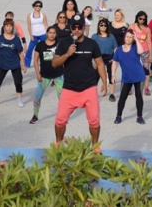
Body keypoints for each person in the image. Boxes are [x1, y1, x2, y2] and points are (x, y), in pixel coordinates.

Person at [52, 14, 107, 152]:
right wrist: (67, 54)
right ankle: (58, 144)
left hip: (88, 87)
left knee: (94, 120)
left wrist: (105, 83)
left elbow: (100, 64)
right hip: (69, 88)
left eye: (79, 27)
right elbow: (54, 63)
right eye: (74, 27)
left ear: (83, 27)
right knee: (60, 120)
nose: (76, 30)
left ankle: (95, 148)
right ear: (70, 28)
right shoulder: (64, 43)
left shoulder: (92, 43)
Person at [0, 19, 26, 107]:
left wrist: (23, 65)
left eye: (10, 26)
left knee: (18, 83)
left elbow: (20, 53)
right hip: (2, 65)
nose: (9, 28)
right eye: (7, 26)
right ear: (4, 27)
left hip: (15, 65)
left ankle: (19, 100)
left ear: (12, 27)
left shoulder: (16, 39)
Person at [30, 26, 64, 124]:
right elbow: (35, 60)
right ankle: (35, 115)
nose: (52, 34)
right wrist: (38, 74)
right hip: (44, 75)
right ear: (46, 34)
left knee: (61, 97)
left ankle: (62, 116)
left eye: (54, 33)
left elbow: (64, 58)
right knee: (37, 97)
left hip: (59, 75)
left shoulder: (59, 44)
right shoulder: (40, 45)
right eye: (50, 32)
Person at [111, 29, 146, 124]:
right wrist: (113, 75)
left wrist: (137, 39)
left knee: (139, 96)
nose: (128, 39)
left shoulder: (135, 47)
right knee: (122, 97)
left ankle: (140, 116)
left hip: (139, 76)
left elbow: (141, 51)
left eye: (131, 37)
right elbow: (115, 62)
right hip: (126, 78)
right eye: (127, 36)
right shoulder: (118, 50)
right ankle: (118, 116)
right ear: (124, 37)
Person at [91, 18, 118, 101]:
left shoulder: (111, 36)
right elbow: (91, 48)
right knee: (95, 77)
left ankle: (112, 94)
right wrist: (92, 60)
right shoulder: (94, 36)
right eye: (101, 25)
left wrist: (114, 59)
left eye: (105, 25)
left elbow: (115, 48)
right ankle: (94, 94)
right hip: (98, 58)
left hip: (109, 57)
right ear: (98, 26)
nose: (103, 27)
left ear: (107, 27)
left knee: (110, 75)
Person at [130, 11, 152, 96]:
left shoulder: (147, 29)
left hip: (145, 51)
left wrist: (151, 55)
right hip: (134, 50)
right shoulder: (132, 27)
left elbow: (149, 42)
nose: (142, 20)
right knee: (132, 69)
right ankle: (130, 87)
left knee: (146, 69)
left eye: (144, 19)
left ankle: (146, 88)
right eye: (140, 18)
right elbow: (128, 39)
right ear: (137, 17)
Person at [25, 0, 48, 68]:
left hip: (43, 34)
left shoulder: (43, 15)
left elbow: (46, 25)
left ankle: (45, 62)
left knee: (45, 49)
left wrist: (48, 33)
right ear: (33, 6)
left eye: (40, 6)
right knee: (30, 49)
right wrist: (30, 35)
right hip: (34, 35)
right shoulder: (29, 15)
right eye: (36, 6)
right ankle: (27, 64)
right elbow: (29, 25)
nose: (38, 7)